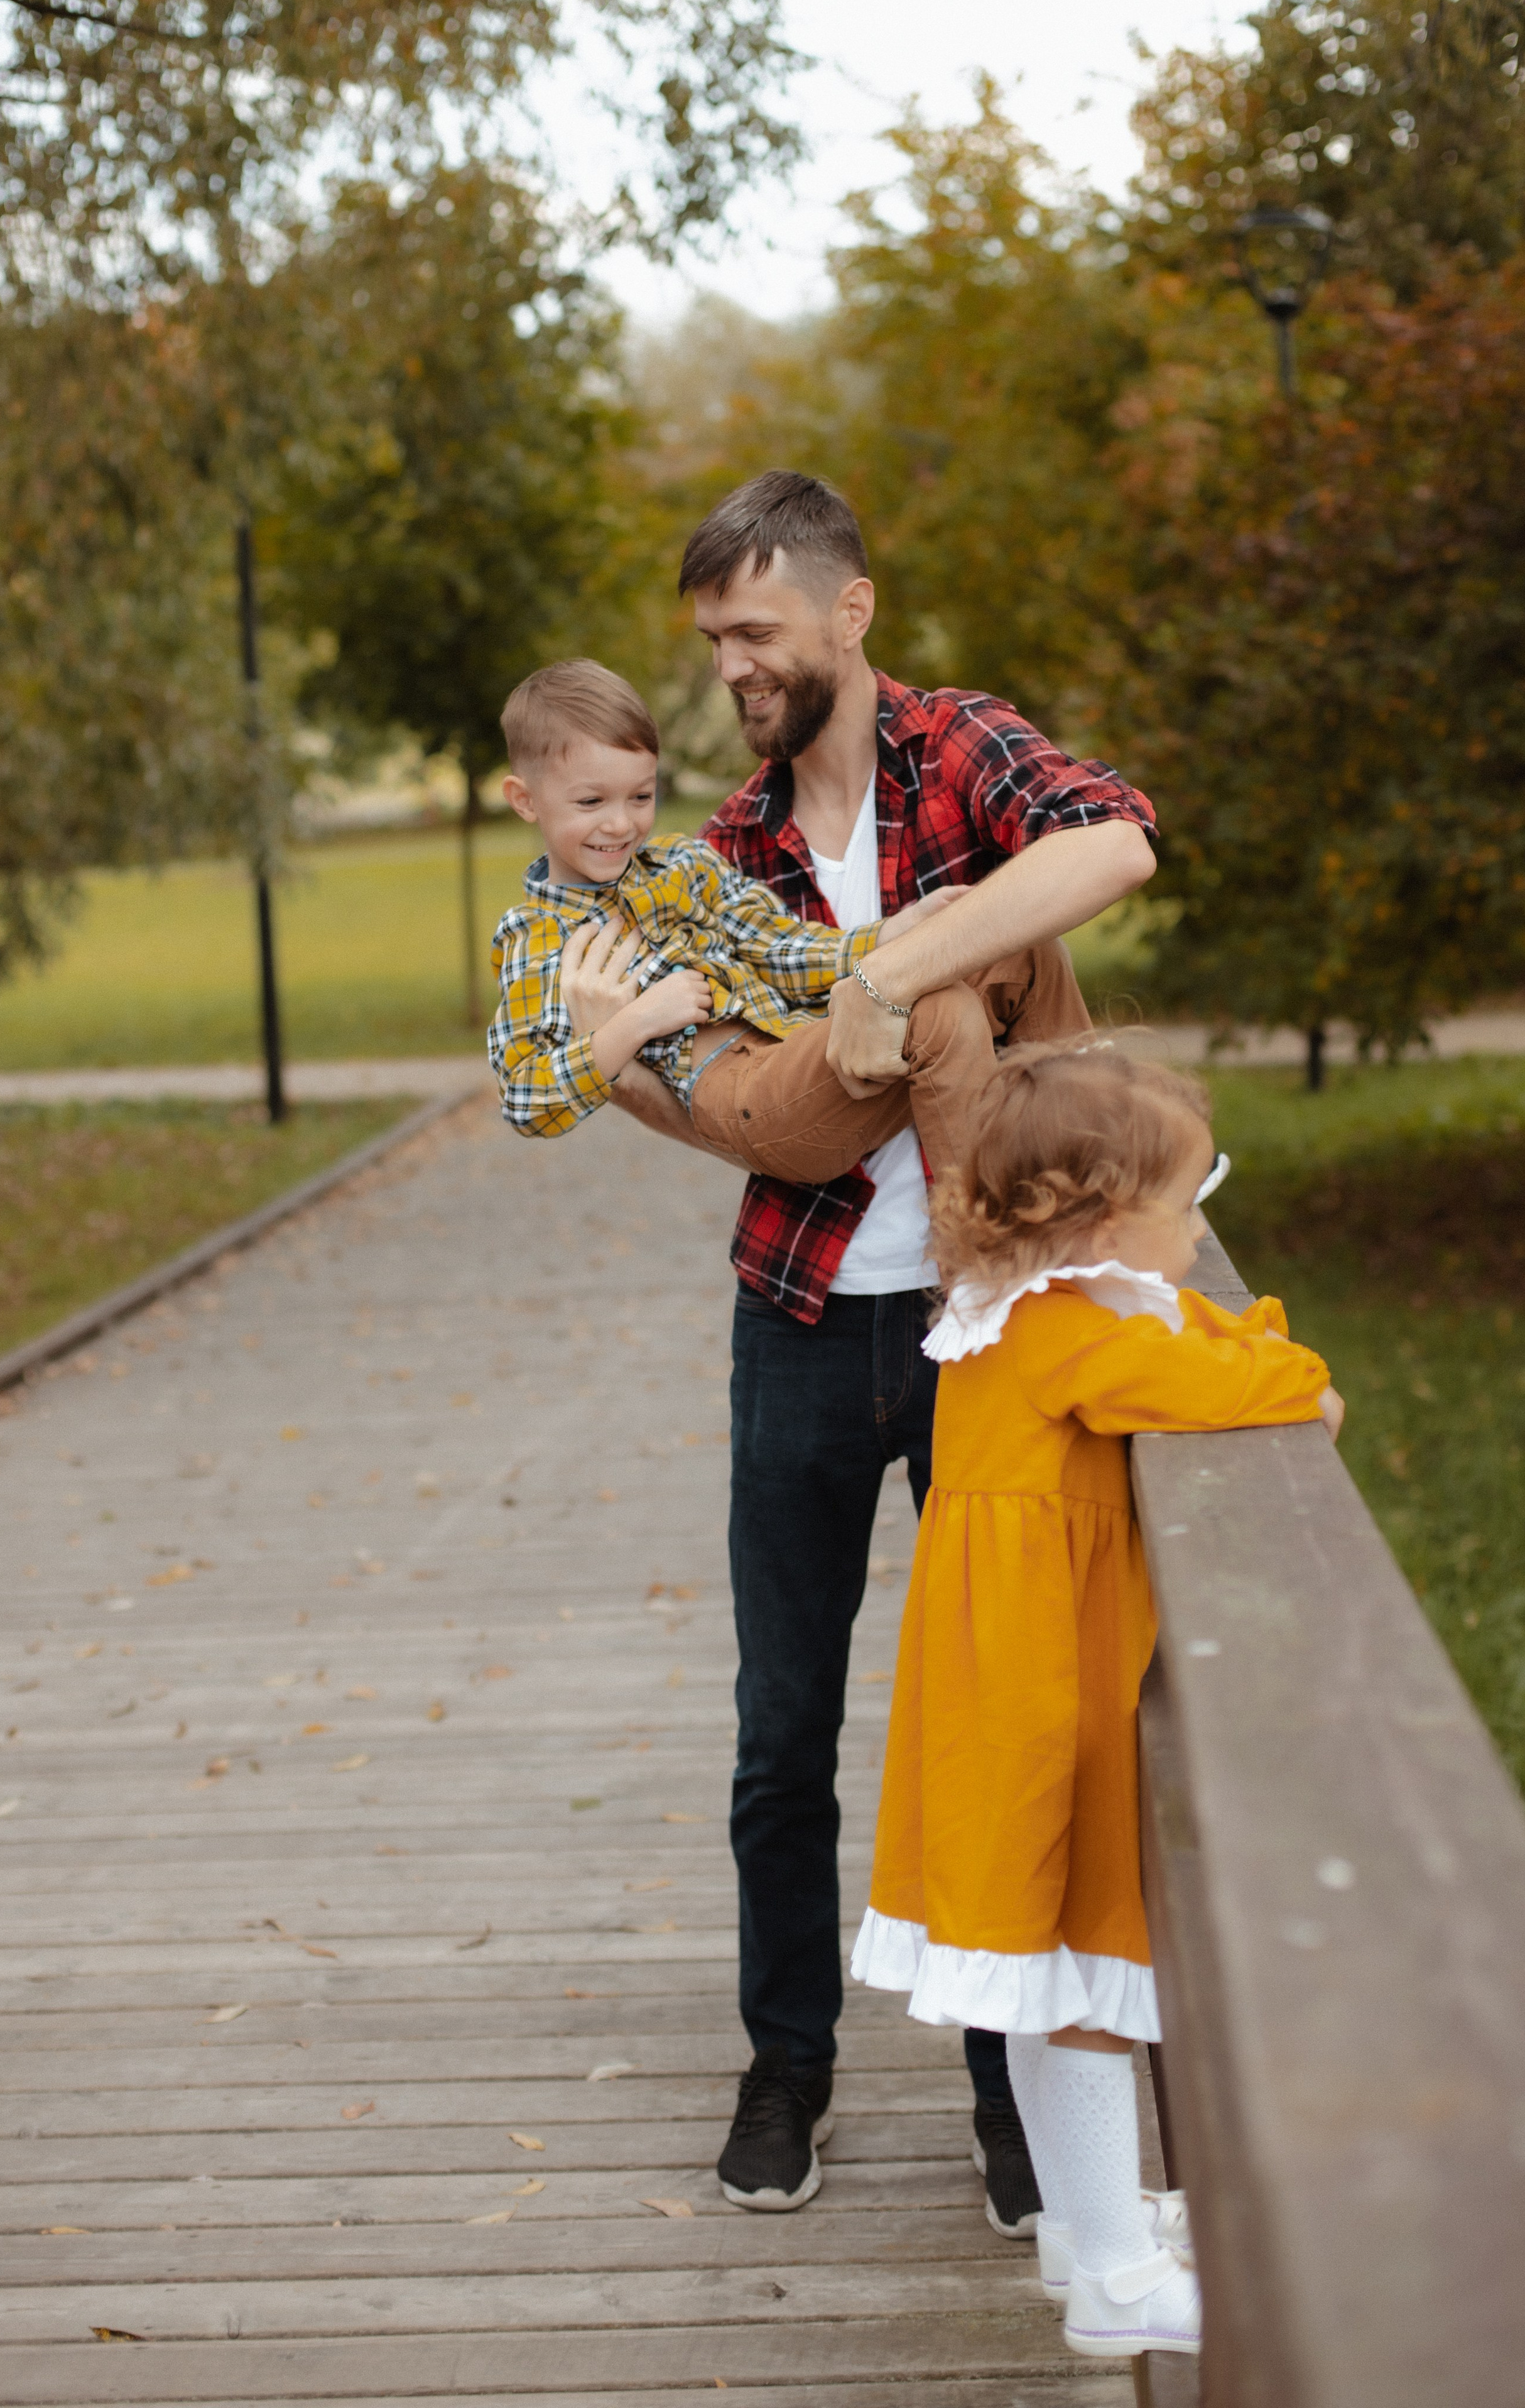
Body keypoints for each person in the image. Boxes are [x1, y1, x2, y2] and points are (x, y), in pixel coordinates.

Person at [585, 471, 1159, 2225]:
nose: (732, 671)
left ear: (851, 611)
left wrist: (897, 967)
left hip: (995, 1327)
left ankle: (1008, 2098)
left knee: (1003, 1722)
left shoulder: (959, 752)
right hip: (805, 1321)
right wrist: (621, 1054)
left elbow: (1115, 841)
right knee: (783, 1734)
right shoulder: (731, 856)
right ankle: (791, 2065)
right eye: (712, 645)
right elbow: (676, 1073)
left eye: (755, 634)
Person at [852, 1037, 1343, 2357]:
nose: (1198, 1230)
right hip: (1038, 1699)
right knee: (1069, 1975)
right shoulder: (1068, 1333)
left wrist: (1194, 1309)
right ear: (1102, 1223)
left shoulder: (1023, 1311)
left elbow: (1174, 1337)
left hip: (1007, 1683)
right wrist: (1303, 1372)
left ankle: (1085, 2230)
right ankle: (1118, 2287)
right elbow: (1225, 1380)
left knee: (1037, 1974)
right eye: (1189, 1205)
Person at [487, 658, 1083, 1192]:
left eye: (640, 797)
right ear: (526, 799)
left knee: (1017, 952)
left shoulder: (684, 865)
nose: (620, 824)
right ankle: (989, 1276)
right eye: (591, 803)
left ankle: (1105, 1175)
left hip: (802, 1048)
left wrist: (896, 935)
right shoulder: (535, 936)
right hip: (738, 1089)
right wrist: (633, 1025)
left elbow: (779, 947)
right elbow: (525, 1098)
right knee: (940, 1016)